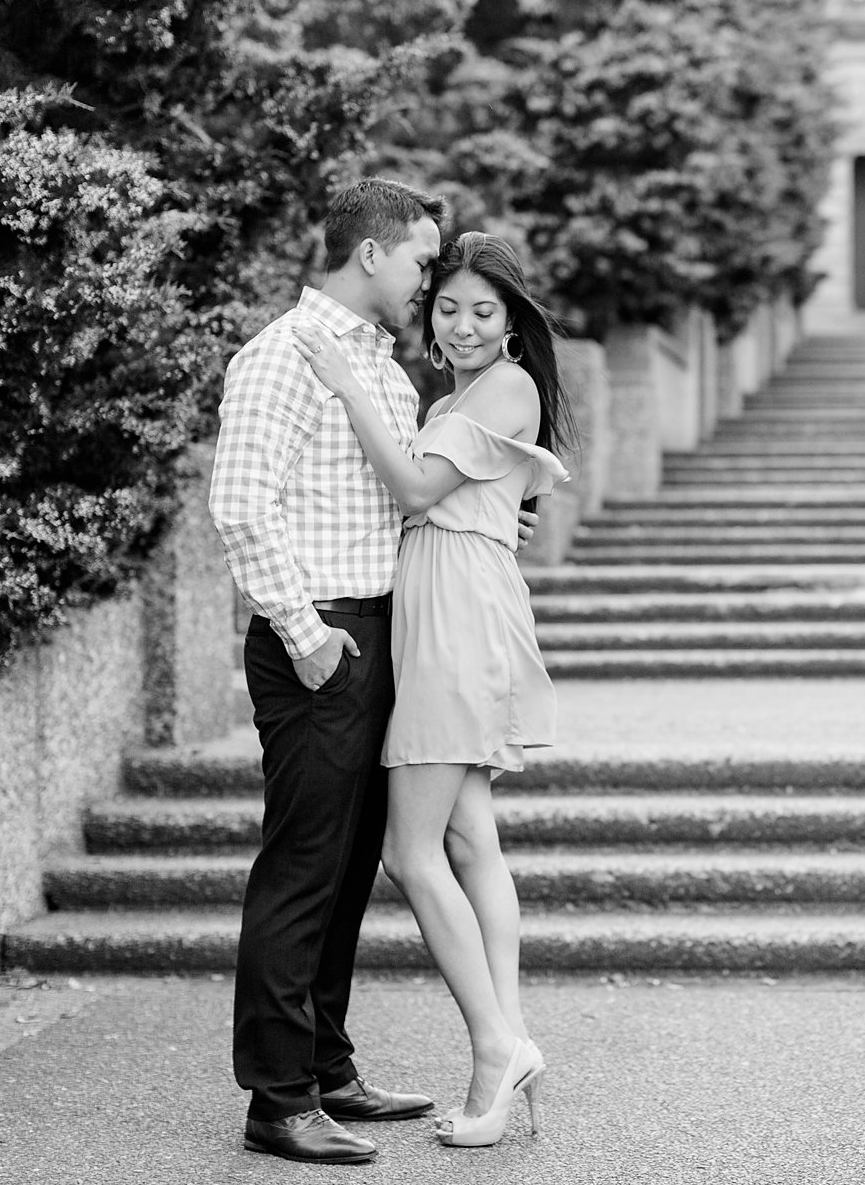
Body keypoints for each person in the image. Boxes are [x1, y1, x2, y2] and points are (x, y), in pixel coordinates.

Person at [208, 179, 537, 1165]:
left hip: (389, 628)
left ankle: (327, 1066)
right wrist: (302, 631)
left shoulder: (388, 375)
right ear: (370, 255)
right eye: (421, 261)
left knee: (352, 864)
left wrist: (489, 511)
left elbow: (395, 498)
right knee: (305, 863)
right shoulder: (279, 356)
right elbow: (239, 503)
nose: (427, 281)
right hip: (320, 634)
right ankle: (277, 1096)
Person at [292, 229, 571, 1150]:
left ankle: (497, 1046)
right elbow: (460, 500)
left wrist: (340, 383)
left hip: (454, 624)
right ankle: (512, 1040)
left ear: (513, 320)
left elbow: (414, 489)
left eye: (482, 311)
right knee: (470, 838)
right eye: (446, 307)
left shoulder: (506, 384)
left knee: (412, 855)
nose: (459, 325)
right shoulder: (465, 390)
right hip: (455, 609)